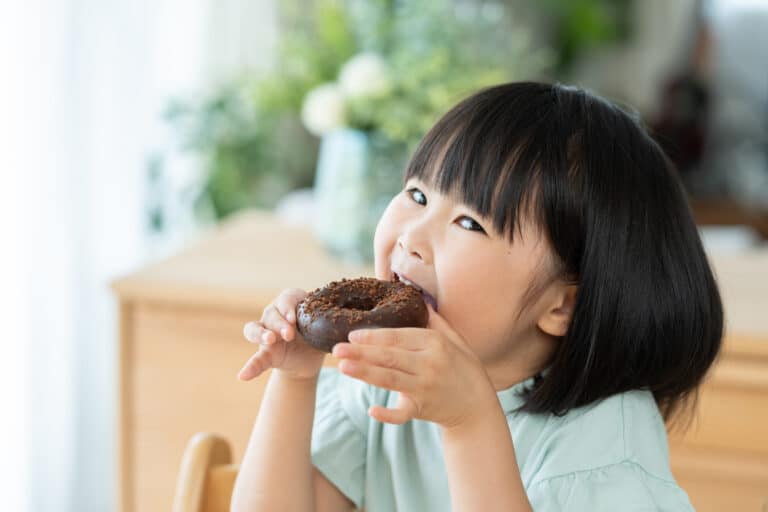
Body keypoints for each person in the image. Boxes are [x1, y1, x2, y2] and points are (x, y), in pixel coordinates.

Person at [230, 81, 723, 511]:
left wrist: (468, 422)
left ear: (563, 305)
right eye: (418, 195)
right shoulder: (378, 383)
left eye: (470, 222)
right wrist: (295, 382)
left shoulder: (605, 450)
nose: (412, 237)